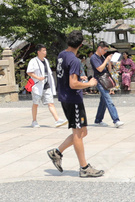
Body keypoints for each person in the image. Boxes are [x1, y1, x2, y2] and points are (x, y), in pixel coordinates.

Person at [47, 30, 104, 178]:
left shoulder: (62, 55)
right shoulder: (74, 60)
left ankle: (57, 152)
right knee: (78, 134)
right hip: (73, 99)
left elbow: (68, 77)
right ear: (80, 44)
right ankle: (84, 167)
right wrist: (89, 83)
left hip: (66, 97)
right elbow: (73, 84)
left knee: (83, 132)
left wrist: (80, 78)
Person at [26, 44, 66, 128]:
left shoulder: (46, 61)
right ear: (38, 52)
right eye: (43, 51)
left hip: (46, 84)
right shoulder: (33, 61)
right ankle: (34, 121)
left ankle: (57, 119)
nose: (45, 52)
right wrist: (38, 78)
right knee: (35, 104)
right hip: (37, 85)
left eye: (45, 50)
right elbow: (29, 72)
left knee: (50, 103)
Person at [90, 41, 123, 128]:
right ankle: (116, 120)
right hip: (100, 80)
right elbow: (100, 69)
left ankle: (98, 120)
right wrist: (106, 60)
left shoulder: (102, 57)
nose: (105, 52)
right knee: (108, 100)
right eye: (104, 50)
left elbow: (108, 69)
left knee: (103, 101)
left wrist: (109, 62)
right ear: (99, 48)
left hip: (104, 79)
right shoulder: (94, 58)